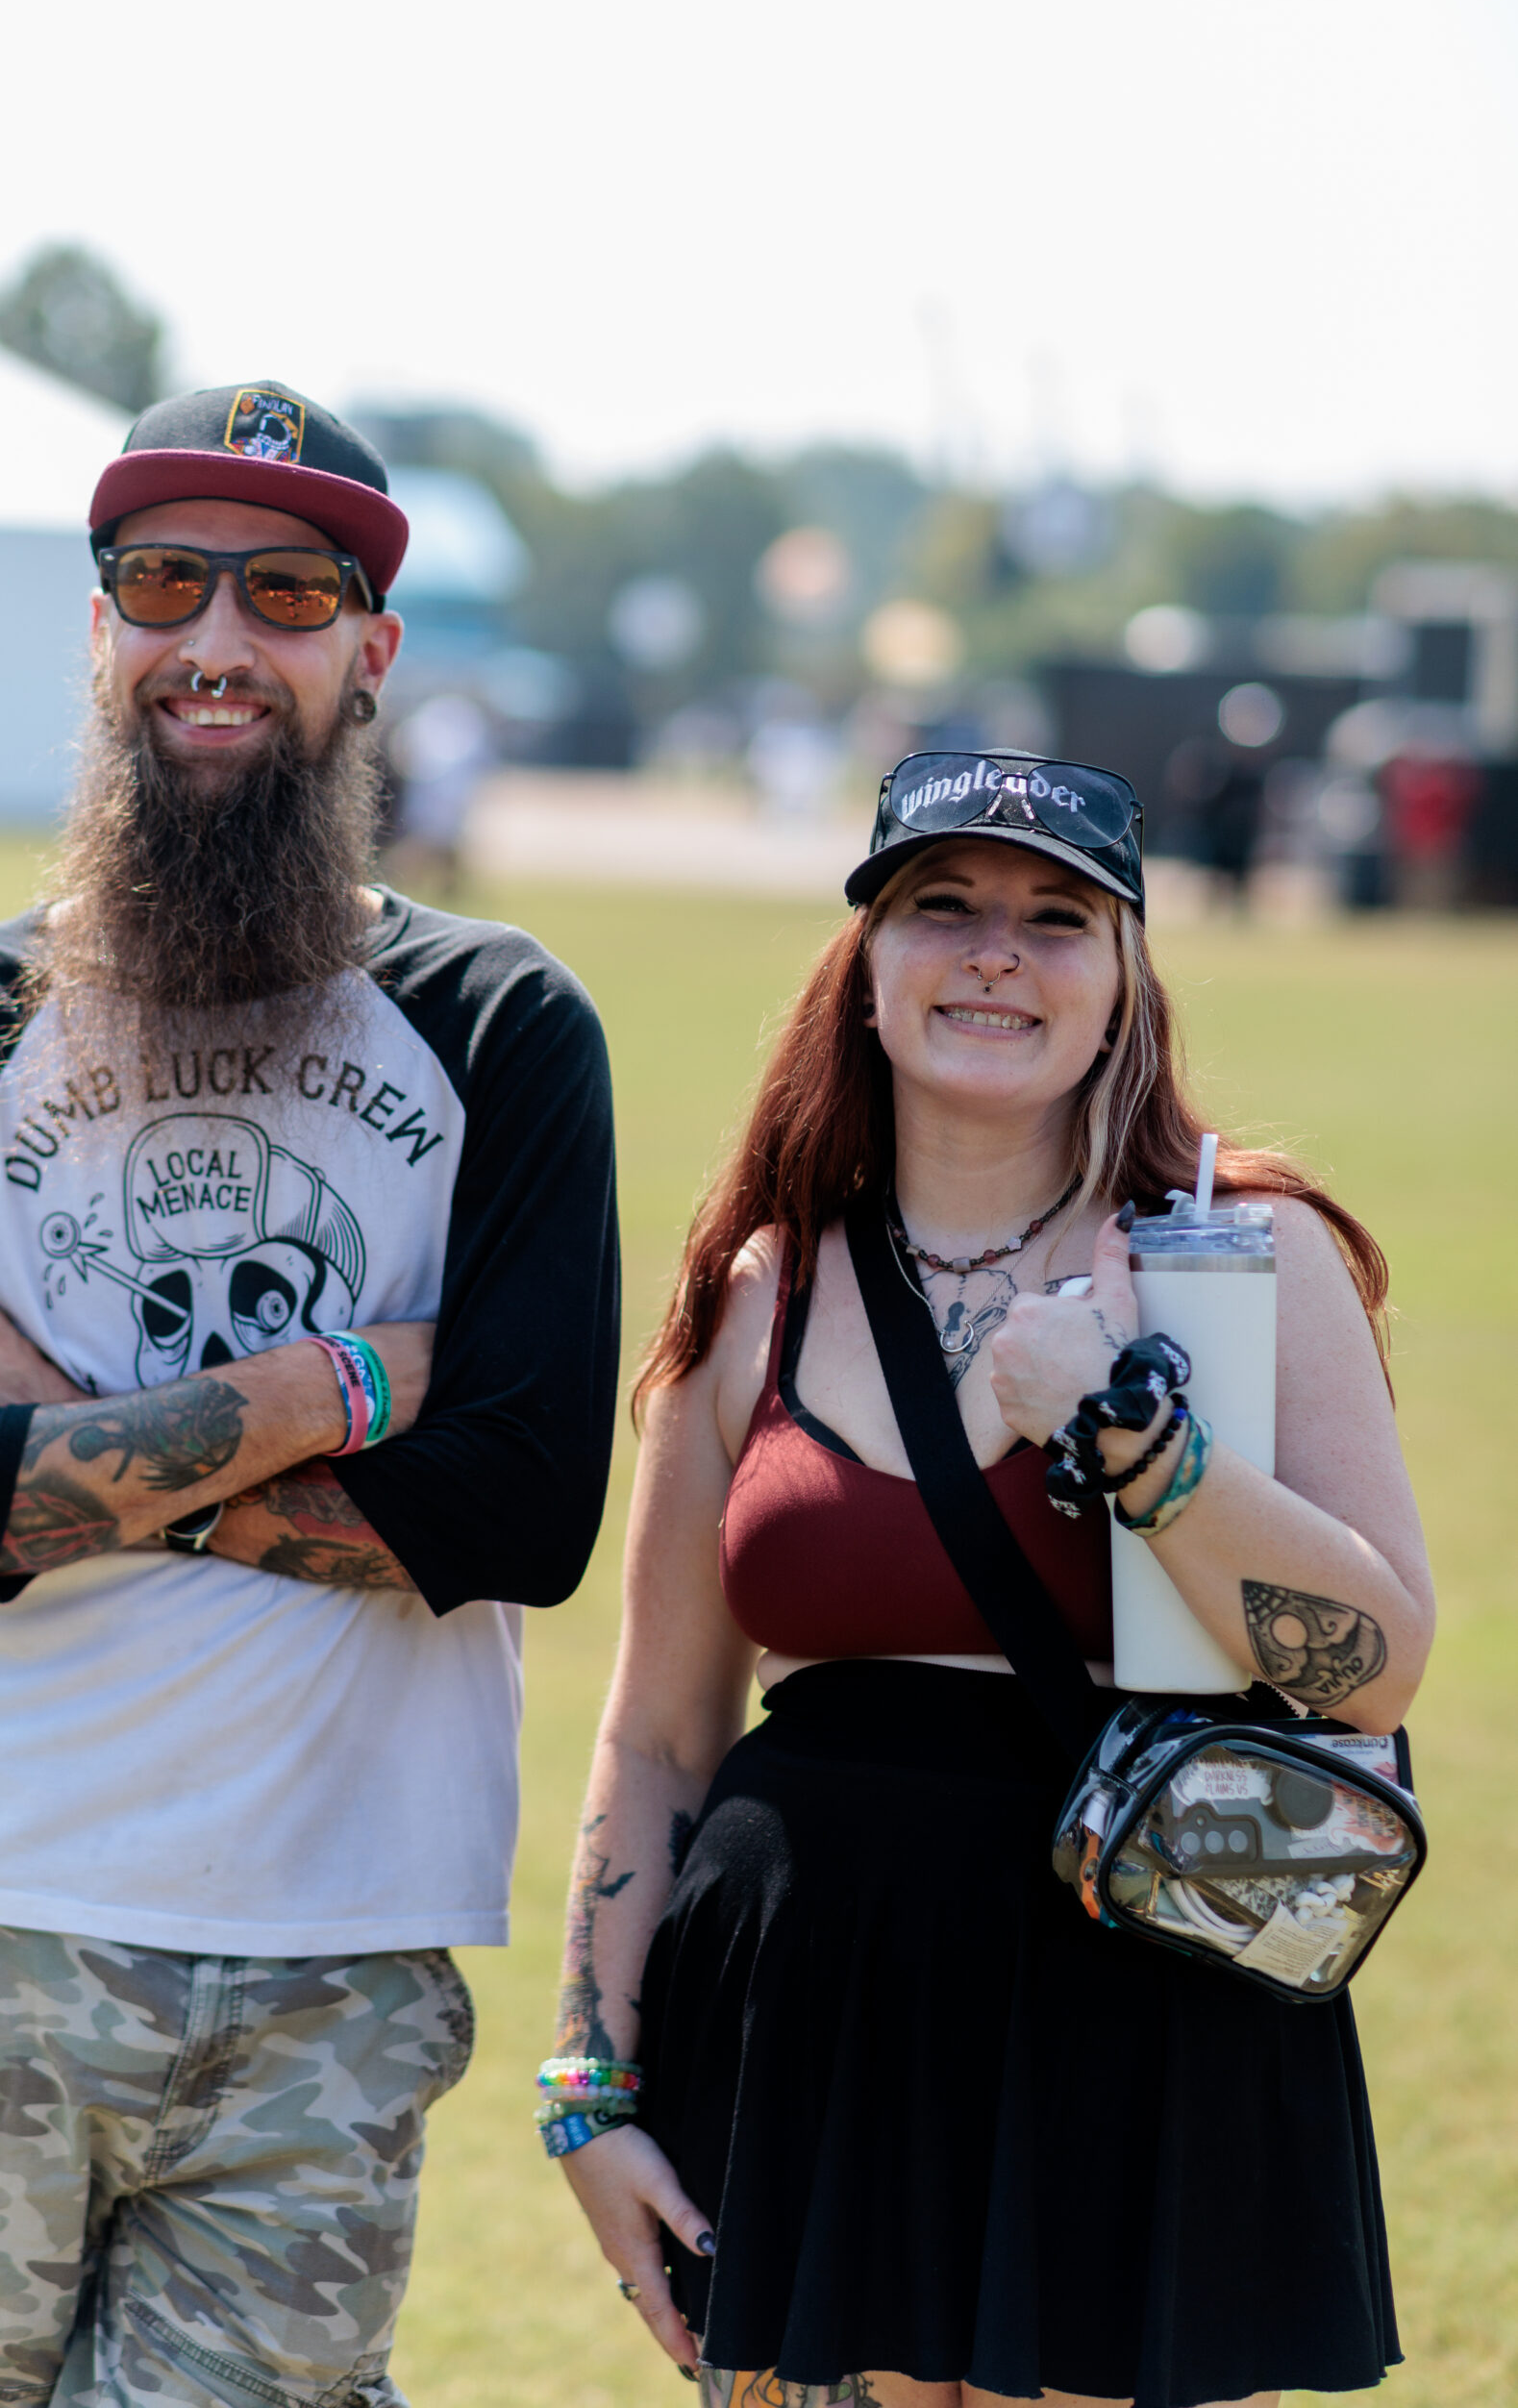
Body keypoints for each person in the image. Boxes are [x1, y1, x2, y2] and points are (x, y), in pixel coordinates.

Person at [0, 381, 619, 2406]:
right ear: (101, 629)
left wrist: (55, 1441)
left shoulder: (500, 1023)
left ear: (372, 656)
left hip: (337, 1944)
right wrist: (325, 1389)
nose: (218, 638)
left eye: (287, 591)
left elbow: (527, 1509)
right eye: (164, 581)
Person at [549, 752, 1433, 2407]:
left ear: (1124, 986)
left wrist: (1128, 1439)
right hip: (809, 2029)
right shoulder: (753, 1288)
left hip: (1130, 2014)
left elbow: (1377, 1665)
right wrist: (588, 2089)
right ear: (864, 971)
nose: (995, 954)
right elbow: (659, 1728)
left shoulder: (1241, 1254)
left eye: (1057, 919)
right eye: (939, 908)